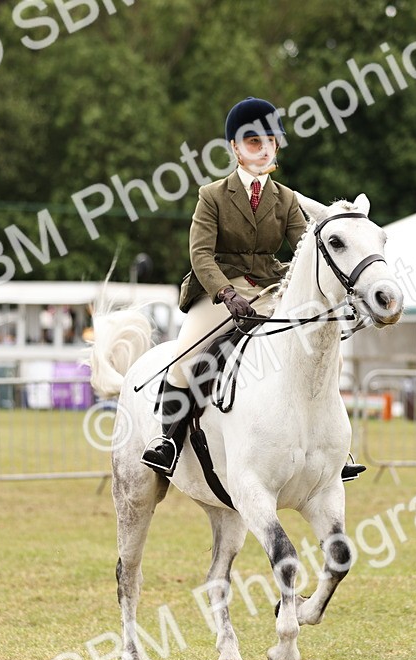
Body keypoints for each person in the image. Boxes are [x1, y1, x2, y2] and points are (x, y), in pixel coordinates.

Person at [140, 96, 307, 476]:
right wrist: (226, 293)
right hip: (219, 289)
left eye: (271, 141)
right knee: (185, 357)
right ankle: (166, 439)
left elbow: (304, 251)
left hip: (267, 291)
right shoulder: (212, 196)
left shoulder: (286, 200)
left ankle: (327, 449)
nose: (264, 150)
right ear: (234, 147)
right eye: (253, 142)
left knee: (310, 347)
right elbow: (200, 255)